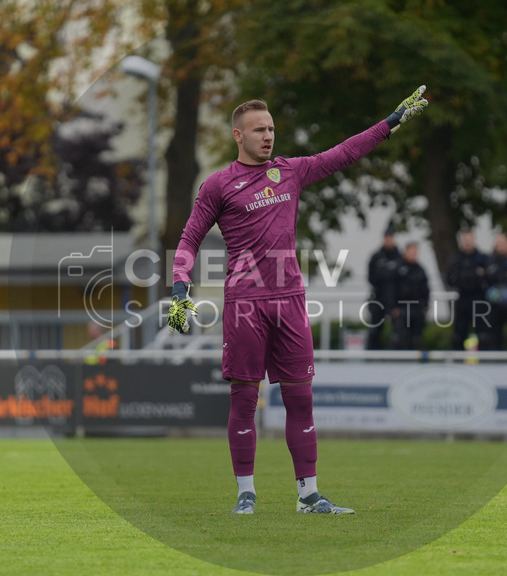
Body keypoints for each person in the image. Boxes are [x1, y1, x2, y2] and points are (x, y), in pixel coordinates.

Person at [167, 86, 429, 515]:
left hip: (290, 300)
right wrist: (180, 287)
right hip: (245, 303)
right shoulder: (218, 185)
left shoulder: (291, 171)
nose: (268, 136)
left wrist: (391, 122)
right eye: (258, 130)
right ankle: (245, 494)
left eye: (270, 128)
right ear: (238, 135)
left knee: (300, 398)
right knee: (244, 399)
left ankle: (308, 495)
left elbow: (343, 153)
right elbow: (189, 238)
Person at [444, 229, 489, 351]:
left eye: (469, 240)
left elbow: (490, 278)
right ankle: (457, 364)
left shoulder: (483, 259)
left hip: (479, 299)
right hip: (463, 299)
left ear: (474, 240)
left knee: (483, 334)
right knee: (459, 334)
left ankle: (485, 362)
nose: (467, 243)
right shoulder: (457, 259)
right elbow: (449, 280)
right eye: (465, 240)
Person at [366, 227, 401, 350]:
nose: (389, 240)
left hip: (396, 299)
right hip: (378, 297)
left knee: (398, 331)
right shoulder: (376, 257)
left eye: (391, 238)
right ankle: (371, 357)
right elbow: (371, 277)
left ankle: (394, 357)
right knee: (375, 329)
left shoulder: (399, 257)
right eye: (387, 238)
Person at [390, 242, 430, 350]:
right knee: (398, 339)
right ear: (405, 252)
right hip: (401, 308)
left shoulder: (420, 270)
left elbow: (425, 289)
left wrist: (425, 306)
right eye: (411, 252)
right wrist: (393, 307)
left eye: (415, 253)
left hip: (417, 308)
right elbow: (392, 289)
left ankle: (415, 364)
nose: (414, 255)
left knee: (416, 340)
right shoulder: (398, 269)